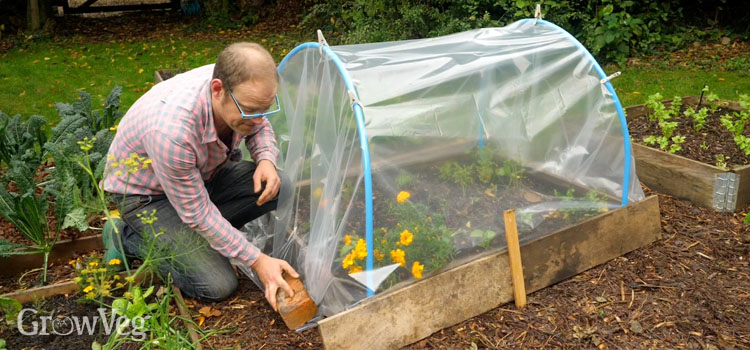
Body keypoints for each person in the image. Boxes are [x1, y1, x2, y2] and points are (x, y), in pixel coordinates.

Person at [101, 42, 297, 311]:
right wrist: (258, 260)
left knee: (281, 185)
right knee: (218, 284)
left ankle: (194, 238)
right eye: (251, 109)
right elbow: (198, 212)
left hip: (202, 175)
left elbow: (259, 124)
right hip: (147, 198)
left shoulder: (240, 85)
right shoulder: (172, 133)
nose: (258, 118)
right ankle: (126, 236)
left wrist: (265, 159)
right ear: (217, 90)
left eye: (265, 108)